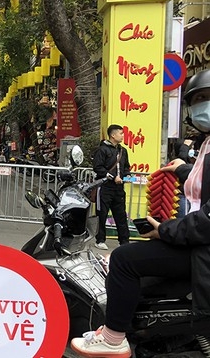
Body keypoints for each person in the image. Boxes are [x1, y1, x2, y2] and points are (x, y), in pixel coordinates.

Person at [71, 69, 210, 357]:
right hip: (197, 240)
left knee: (123, 259)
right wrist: (182, 170)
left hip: (203, 248)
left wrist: (166, 230)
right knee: (134, 275)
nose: (203, 106)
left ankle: (113, 339)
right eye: (199, 99)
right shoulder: (205, 144)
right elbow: (202, 184)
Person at [92, 124, 131, 249]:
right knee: (102, 214)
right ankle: (100, 240)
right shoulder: (102, 150)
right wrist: (113, 177)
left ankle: (124, 241)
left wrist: (128, 175)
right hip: (104, 187)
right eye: (121, 133)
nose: (123, 135)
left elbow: (126, 167)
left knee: (121, 215)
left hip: (119, 189)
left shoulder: (123, 151)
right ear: (113, 135)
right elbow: (98, 168)